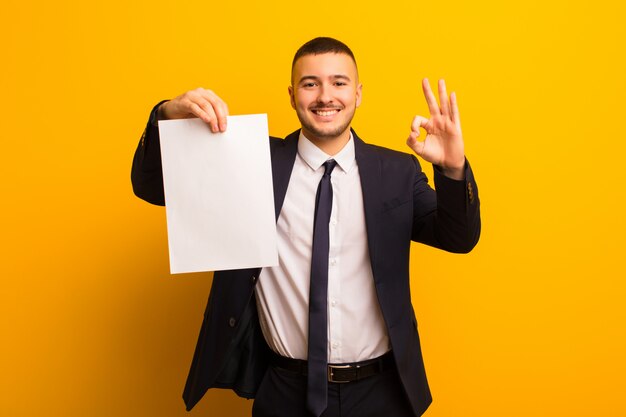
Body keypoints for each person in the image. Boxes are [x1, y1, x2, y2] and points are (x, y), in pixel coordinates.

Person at [131, 37, 480, 417]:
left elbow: (458, 237)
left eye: (339, 83)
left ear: (358, 93)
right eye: (310, 83)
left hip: (382, 392)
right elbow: (151, 186)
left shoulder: (396, 171)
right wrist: (167, 115)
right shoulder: (251, 164)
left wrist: (451, 168)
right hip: (284, 390)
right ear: (292, 94)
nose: (324, 96)